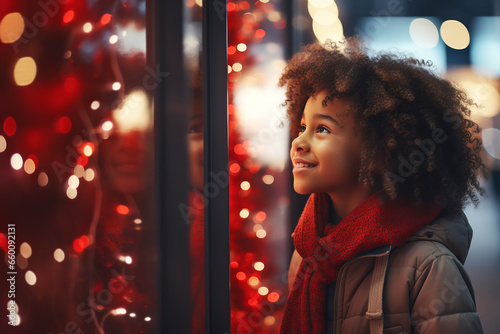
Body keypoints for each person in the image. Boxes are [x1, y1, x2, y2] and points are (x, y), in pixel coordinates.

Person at [279, 37, 487, 334]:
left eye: (322, 129)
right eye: (302, 127)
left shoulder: (429, 266)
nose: (299, 142)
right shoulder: (307, 251)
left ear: (376, 148)